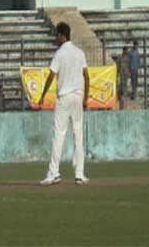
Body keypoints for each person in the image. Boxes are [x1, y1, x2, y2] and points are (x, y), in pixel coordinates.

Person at [38, 22, 90, 186]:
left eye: (57, 35)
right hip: (78, 96)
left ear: (62, 36)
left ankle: (53, 173)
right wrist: (86, 98)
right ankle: (79, 174)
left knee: (59, 135)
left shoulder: (60, 53)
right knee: (78, 135)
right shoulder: (79, 52)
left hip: (64, 97)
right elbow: (86, 76)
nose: (55, 38)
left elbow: (51, 76)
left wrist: (43, 95)